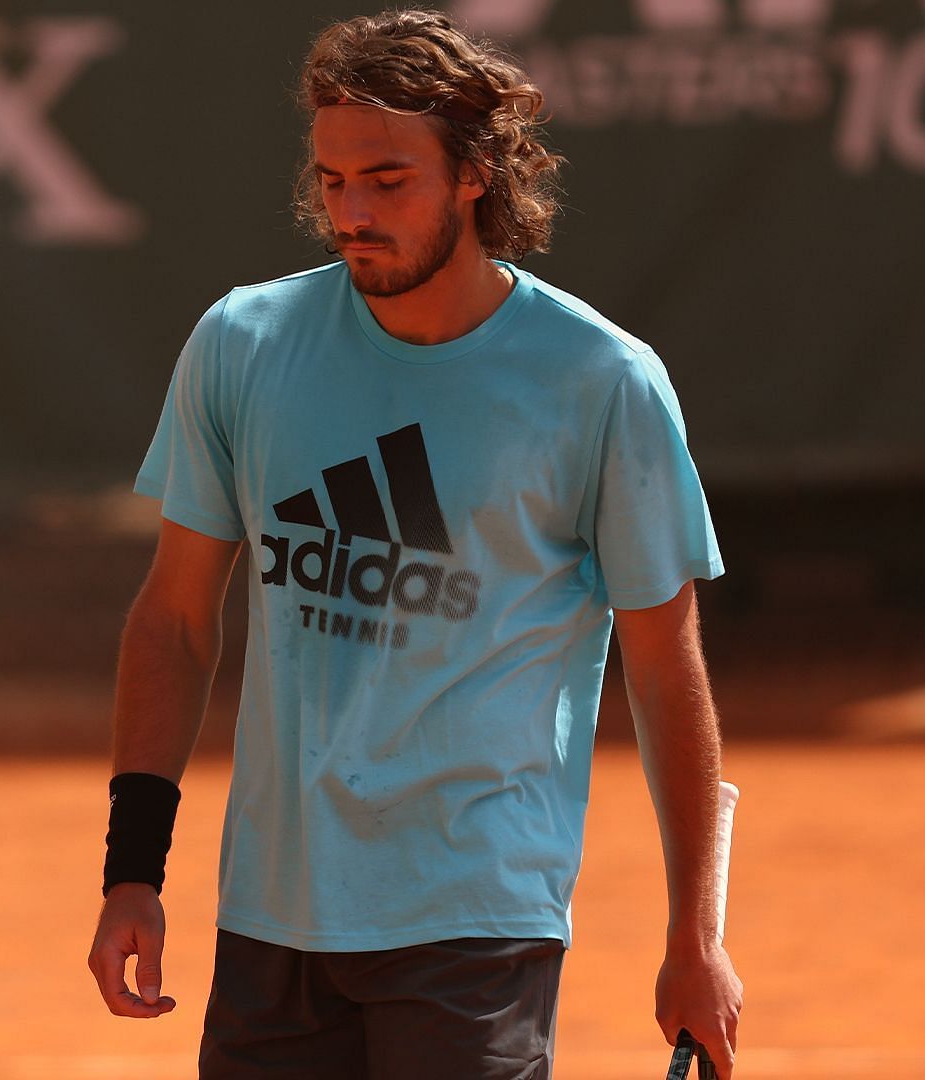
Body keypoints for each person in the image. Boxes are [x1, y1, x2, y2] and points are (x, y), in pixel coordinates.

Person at [85, 10, 742, 1078]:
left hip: (475, 921)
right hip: (272, 916)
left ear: (477, 172)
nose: (351, 213)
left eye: (387, 181)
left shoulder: (604, 383)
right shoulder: (241, 345)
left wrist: (694, 940)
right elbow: (171, 621)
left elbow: (667, 672)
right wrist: (133, 872)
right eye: (333, 181)